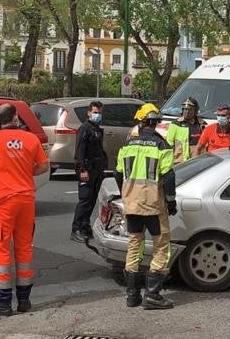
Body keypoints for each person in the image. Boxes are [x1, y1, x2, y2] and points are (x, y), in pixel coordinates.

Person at [0, 104, 50, 316]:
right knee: (24, 248)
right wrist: (25, 170)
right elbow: (44, 166)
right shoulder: (31, 139)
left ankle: (3, 302)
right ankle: (24, 300)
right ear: (16, 117)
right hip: (26, 200)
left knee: (0, 248)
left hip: (3, 202)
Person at [114, 104, 178, 310]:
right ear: (156, 122)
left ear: (141, 122)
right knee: (161, 248)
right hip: (153, 205)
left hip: (131, 205)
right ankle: (152, 295)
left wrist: (126, 193)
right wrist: (171, 201)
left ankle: (132, 296)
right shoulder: (162, 145)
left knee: (134, 245)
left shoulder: (127, 145)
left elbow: (117, 173)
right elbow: (168, 176)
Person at [71, 101, 108, 243]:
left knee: (92, 200)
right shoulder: (85, 129)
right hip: (87, 169)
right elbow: (80, 151)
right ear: (89, 113)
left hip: (96, 170)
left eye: (99, 112)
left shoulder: (96, 129)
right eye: (95, 112)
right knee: (84, 200)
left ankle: (85, 226)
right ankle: (76, 228)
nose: (97, 115)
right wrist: (82, 169)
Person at [166, 97, 206, 164]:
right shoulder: (176, 124)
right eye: (185, 109)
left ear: (195, 111)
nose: (187, 112)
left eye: (190, 109)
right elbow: (169, 145)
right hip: (180, 162)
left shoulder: (202, 124)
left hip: (198, 161)